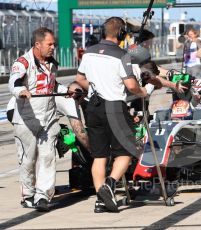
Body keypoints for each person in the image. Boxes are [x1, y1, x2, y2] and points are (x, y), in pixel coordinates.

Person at [75, 17, 150, 213]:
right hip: (114, 107)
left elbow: (80, 79)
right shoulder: (122, 55)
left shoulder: (89, 53)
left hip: (93, 106)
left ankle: (100, 201)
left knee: (99, 156)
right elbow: (132, 86)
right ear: (121, 34)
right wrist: (144, 92)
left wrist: (95, 87)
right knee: (127, 150)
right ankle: (110, 184)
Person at [8, 27, 71, 211]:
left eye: (54, 44)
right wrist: (21, 91)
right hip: (26, 119)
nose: (53, 47)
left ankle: (42, 195)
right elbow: (14, 81)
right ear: (37, 44)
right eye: (49, 44)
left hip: (49, 118)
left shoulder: (52, 64)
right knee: (28, 160)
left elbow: (53, 85)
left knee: (48, 156)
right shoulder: (22, 63)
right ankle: (28, 196)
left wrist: (68, 92)